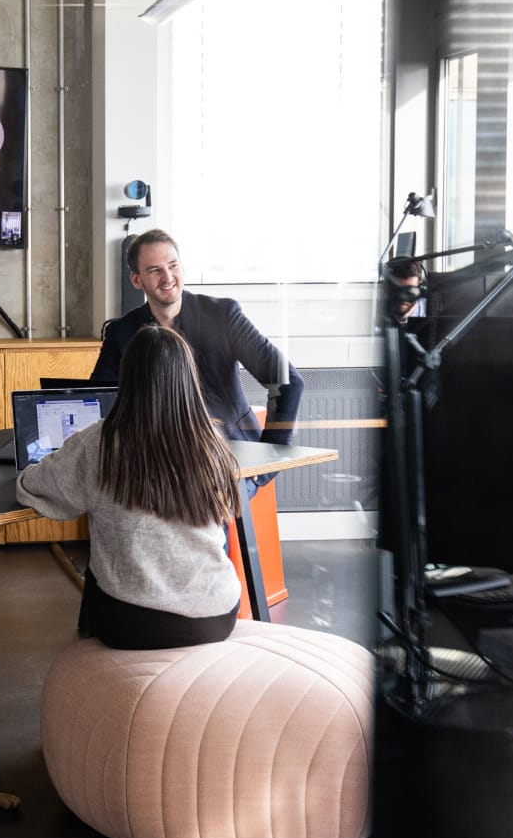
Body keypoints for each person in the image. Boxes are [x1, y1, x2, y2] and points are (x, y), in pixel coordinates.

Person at [17, 326, 242, 649]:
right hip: (218, 614)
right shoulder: (211, 443)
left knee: (99, 571)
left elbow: (38, 487)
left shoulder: (101, 440)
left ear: (128, 377)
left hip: (137, 623)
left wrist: (25, 475)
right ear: (187, 377)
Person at [90, 229, 304, 492]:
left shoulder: (223, 315)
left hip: (228, 457)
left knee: (196, 506)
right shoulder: (121, 332)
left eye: (173, 266)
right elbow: (98, 399)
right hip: (155, 460)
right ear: (137, 280)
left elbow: (288, 381)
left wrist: (271, 459)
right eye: (155, 270)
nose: (168, 277)